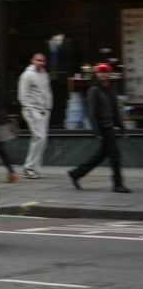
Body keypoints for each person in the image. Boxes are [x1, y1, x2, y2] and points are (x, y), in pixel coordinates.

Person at [67, 63, 131, 193]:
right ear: (97, 74)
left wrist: (122, 129)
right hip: (103, 128)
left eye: (105, 72)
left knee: (101, 155)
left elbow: (115, 111)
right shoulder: (94, 90)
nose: (103, 74)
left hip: (110, 126)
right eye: (100, 72)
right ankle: (118, 184)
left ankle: (76, 173)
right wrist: (96, 131)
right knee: (115, 155)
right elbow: (92, 112)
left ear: (109, 74)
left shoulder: (110, 89)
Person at [17, 53, 53, 179]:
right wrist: (29, 109)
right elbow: (22, 94)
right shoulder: (27, 75)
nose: (41, 63)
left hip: (44, 110)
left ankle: (33, 168)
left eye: (43, 61)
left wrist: (49, 106)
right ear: (32, 60)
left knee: (41, 140)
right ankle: (29, 168)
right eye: (38, 60)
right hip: (33, 110)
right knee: (39, 137)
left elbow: (47, 91)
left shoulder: (44, 74)